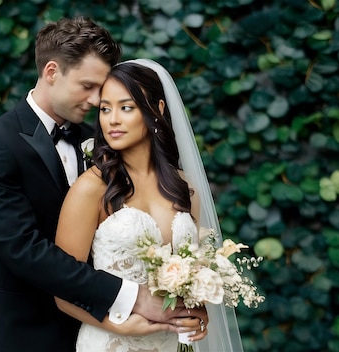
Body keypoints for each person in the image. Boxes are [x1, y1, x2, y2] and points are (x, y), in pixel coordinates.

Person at [0, 18, 206, 352]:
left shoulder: (103, 142)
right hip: (23, 332)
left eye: (103, 92)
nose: (96, 102)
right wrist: (132, 298)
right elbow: (23, 249)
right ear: (52, 71)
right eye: (88, 86)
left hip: (102, 330)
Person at [54, 59, 245, 351]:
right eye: (105, 109)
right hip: (112, 343)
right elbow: (62, 291)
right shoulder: (91, 188)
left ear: (157, 110)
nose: (112, 120)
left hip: (171, 344)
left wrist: (196, 312)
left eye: (126, 107)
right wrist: (117, 322)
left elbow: (195, 271)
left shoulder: (184, 188)